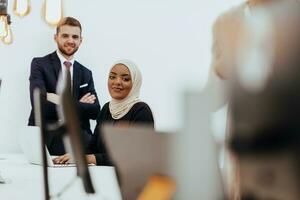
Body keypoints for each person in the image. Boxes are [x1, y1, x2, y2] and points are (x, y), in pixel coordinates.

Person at [53, 59, 154, 165]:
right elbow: (93, 147)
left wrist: (91, 159)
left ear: (135, 83)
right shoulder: (107, 108)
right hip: (103, 174)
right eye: (112, 77)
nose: (117, 82)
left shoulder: (141, 111)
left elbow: (136, 156)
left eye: (125, 79)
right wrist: (77, 155)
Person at [28, 17, 100, 155]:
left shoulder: (86, 73)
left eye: (75, 37)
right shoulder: (39, 64)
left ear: (81, 40)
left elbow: (95, 111)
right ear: (56, 37)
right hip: (46, 141)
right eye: (65, 36)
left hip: (81, 142)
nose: (70, 41)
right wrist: (79, 105)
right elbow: (39, 105)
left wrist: (59, 100)